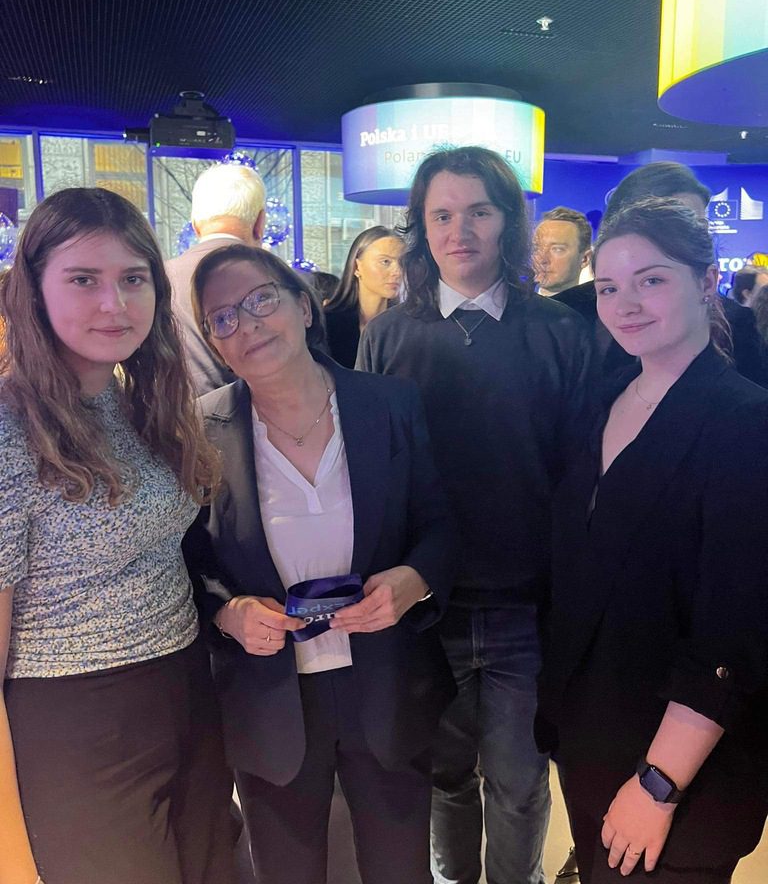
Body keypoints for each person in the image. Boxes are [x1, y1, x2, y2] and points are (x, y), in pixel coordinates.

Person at [183, 244, 459, 884]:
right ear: (214, 342)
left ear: (304, 307)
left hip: (384, 685)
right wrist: (229, 613)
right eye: (223, 318)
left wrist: (414, 580)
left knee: (400, 871)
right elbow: (186, 563)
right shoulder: (199, 430)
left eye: (261, 300)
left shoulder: (389, 404)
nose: (247, 325)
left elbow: (440, 524)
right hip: (270, 697)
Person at [357, 146, 594, 884]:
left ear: (508, 222)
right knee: (445, 776)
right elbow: (371, 476)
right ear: (421, 228)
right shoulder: (387, 337)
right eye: (442, 215)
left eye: (479, 212)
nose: (460, 231)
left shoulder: (560, 332)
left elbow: (581, 475)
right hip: (426, 608)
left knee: (520, 783)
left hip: (527, 607)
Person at [0, 188, 236, 884]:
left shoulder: (141, 404)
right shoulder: (9, 430)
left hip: (185, 687)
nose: (116, 304)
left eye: (133, 278)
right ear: (33, 290)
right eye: (84, 279)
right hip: (74, 717)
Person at [538, 197, 768, 884]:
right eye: (609, 287)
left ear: (706, 282)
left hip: (683, 773)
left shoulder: (746, 423)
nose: (626, 304)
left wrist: (657, 784)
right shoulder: (602, 400)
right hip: (592, 742)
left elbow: (734, 632)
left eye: (652, 280)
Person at [555, 162, 768, 386]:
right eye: (670, 223)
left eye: (698, 225)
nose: (688, 237)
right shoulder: (566, 314)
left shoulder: (736, 323)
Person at [166, 160, 266, 394]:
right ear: (260, 224)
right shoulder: (275, 280)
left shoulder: (157, 279)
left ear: (195, 226)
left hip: (172, 414)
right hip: (257, 414)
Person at [324, 226, 403, 367]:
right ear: (357, 267)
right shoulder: (326, 323)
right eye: (385, 262)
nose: (397, 272)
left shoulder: (407, 327)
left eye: (403, 263)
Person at [533, 206, 592, 296]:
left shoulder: (597, 305)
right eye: (536, 248)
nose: (542, 260)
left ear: (585, 259)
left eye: (557, 249)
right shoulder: (515, 303)